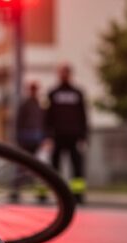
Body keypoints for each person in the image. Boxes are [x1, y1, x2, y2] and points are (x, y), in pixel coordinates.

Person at [45, 64, 89, 203]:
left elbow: (83, 116)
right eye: (61, 72)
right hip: (57, 136)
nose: (63, 75)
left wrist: (84, 137)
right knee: (55, 167)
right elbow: (48, 116)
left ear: (70, 74)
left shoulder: (78, 93)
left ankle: (78, 195)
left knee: (77, 167)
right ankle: (59, 195)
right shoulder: (53, 93)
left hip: (74, 136)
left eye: (66, 72)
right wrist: (48, 137)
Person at [12, 81, 46, 202]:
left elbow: (44, 122)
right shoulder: (25, 104)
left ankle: (41, 193)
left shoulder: (40, 104)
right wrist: (18, 139)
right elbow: (18, 123)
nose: (33, 92)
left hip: (37, 139)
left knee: (39, 167)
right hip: (25, 139)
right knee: (22, 166)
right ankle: (15, 191)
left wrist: (45, 138)